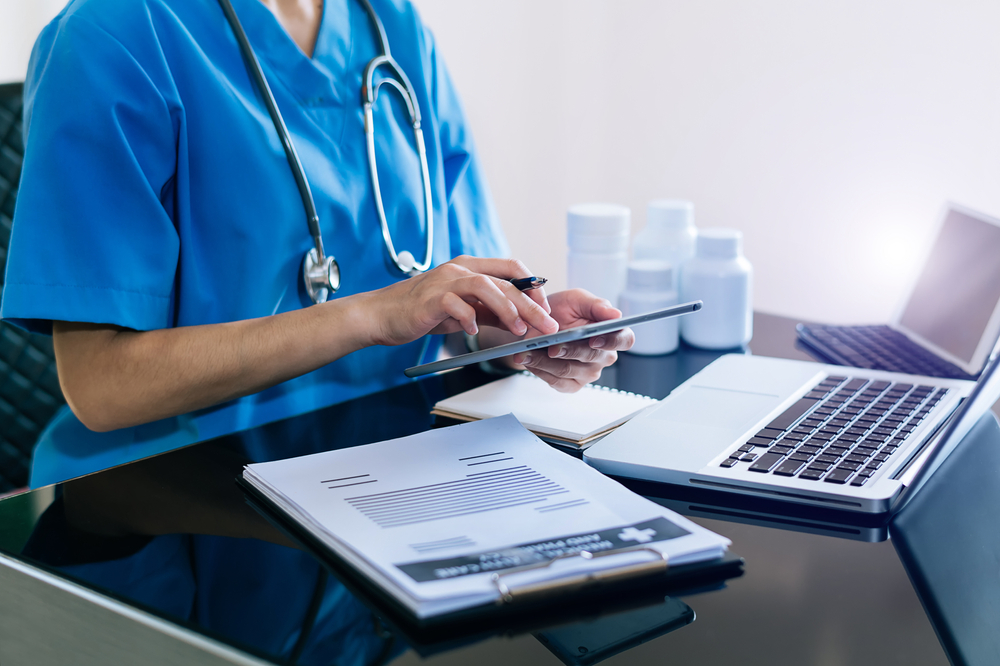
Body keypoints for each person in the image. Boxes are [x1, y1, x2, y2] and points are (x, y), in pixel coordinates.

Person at [1, 0, 633, 488]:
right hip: (179, 492)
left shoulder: (392, 26)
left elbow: (453, 293)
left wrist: (522, 332)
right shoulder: (111, 34)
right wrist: (368, 316)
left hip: (393, 469)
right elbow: (103, 388)